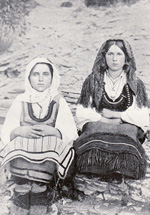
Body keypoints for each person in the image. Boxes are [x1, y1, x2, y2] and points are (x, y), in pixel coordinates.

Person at [0, 58, 78, 198]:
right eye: (35, 74)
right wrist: (19, 131)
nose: (40, 79)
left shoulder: (58, 101)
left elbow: (70, 133)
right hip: (22, 154)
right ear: (29, 78)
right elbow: (7, 131)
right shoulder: (21, 100)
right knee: (10, 146)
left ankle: (43, 183)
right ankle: (21, 181)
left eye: (45, 74)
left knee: (57, 146)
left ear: (52, 78)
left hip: (47, 156)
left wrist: (54, 132)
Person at [74, 39, 149, 181]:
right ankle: (94, 166)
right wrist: (104, 119)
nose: (115, 59)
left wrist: (118, 116)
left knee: (128, 133)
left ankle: (122, 168)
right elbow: (82, 111)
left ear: (126, 58)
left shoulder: (135, 83)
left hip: (124, 126)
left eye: (119, 54)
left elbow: (143, 115)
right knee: (93, 130)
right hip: (98, 124)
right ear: (104, 56)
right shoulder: (93, 80)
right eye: (110, 54)